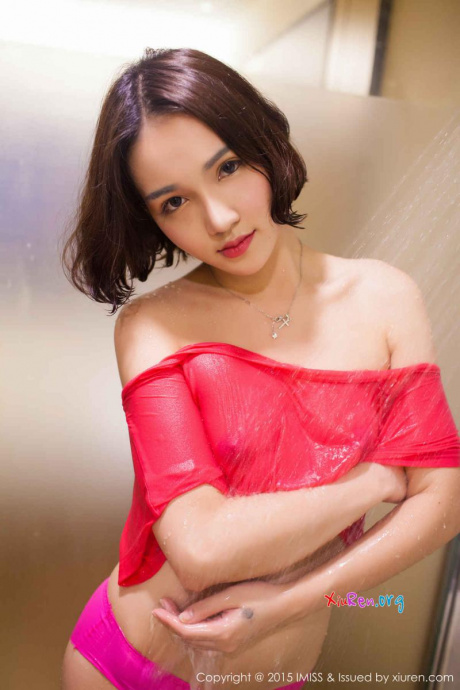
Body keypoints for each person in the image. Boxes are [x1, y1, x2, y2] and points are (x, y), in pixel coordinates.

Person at [60, 47, 460, 690]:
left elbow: (443, 504)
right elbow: (201, 550)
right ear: (151, 220)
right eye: (174, 202)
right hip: (125, 665)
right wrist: (374, 482)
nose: (219, 219)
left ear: (262, 145)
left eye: (227, 168)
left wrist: (287, 605)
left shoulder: (385, 298)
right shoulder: (152, 326)